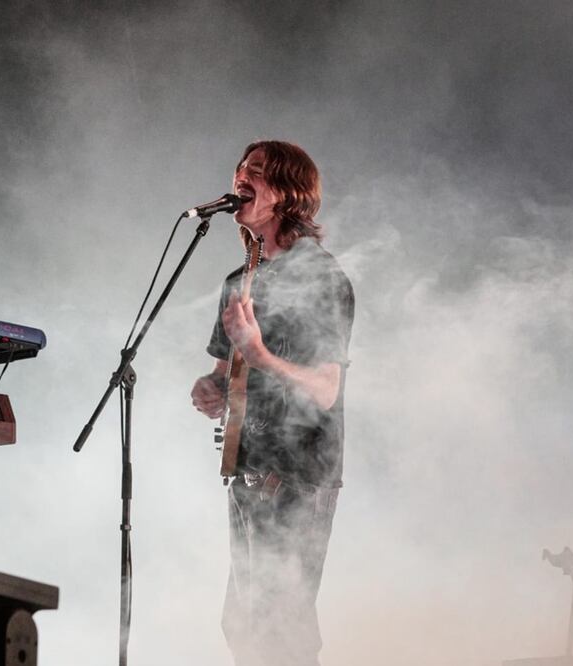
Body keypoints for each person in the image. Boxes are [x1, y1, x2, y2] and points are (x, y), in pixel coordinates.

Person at [190, 140, 354, 666]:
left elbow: (326, 389)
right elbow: (224, 370)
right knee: (242, 624)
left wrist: (261, 355)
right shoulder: (239, 282)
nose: (241, 177)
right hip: (247, 470)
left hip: (299, 477)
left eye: (256, 171)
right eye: (240, 168)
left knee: (282, 625)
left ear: (287, 193)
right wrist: (210, 388)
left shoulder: (322, 278)